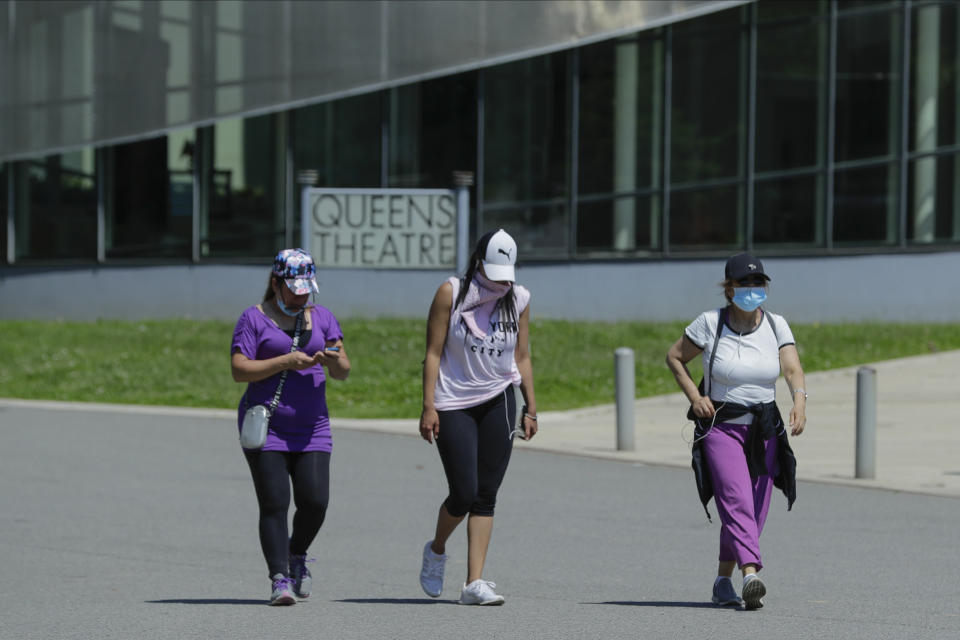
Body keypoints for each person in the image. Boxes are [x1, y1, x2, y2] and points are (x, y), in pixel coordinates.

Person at [665, 253, 806, 610]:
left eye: (758, 283)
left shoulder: (776, 325)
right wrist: (695, 397)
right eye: (744, 283)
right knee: (736, 500)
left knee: (753, 513)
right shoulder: (710, 324)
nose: (752, 289)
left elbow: (791, 369)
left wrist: (799, 400)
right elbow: (675, 357)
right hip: (721, 428)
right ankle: (750, 575)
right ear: (729, 288)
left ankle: (722, 582)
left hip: (764, 430)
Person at [417, 229, 538, 606]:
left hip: (498, 399)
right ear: (478, 263)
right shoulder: (450, 293)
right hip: (453, 402)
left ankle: (475, 583)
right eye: (494, 271)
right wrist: (428, 405)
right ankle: (437, 549)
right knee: (463, 492)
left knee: (486, 495)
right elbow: (433, 352)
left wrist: (531, 405)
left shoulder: (518, 298)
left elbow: (521, 357)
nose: (501, 280)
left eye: (506, 273)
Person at [230, 248, 351, 605]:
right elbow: (239, 370)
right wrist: (286, 361)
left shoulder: (323, 318)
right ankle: (279, 578)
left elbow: (344, 370)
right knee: (275, 502)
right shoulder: (253, 320)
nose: (301, 295)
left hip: (313, 426)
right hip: (268, 425)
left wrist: (335, 361)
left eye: (306, 289)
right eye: (294, 288)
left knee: (316, 502)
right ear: (275, 282)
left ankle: (296, 554)